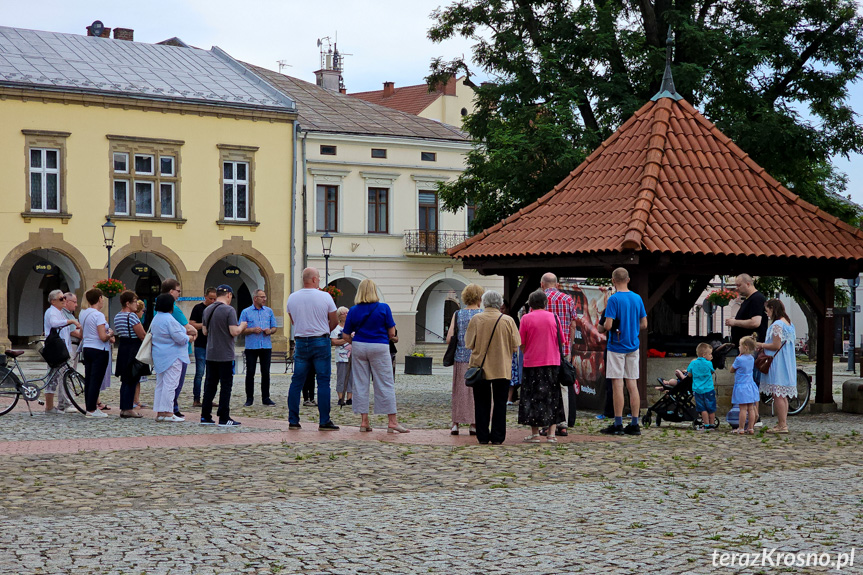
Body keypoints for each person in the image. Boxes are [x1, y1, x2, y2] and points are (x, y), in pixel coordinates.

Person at [342, 279, 407, 433]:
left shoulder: (353, 310)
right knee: (385, 382)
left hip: (359, 346)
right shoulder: (384, 308)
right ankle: (392, 422)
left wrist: (356, 341)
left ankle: (364, 422)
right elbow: (392, 333)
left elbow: (345, 335)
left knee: (360, 383)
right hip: (379, 346)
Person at [285, 268, 338, 431]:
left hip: (301, 341)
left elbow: (293, 320)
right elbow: (334, 320)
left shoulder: (292, 298)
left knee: (297, 381)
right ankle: (324, 420)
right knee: (323, 381)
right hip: (320, 340)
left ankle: (293, 420)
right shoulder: (325, 296)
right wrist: (324, 330)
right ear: (314, 279)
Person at [465, 290, 521, 445]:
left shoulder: (476, 319)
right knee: (500, 403)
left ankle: (482, 435)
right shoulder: (508, 320)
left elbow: (469, 343)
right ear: (500, 303)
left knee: (481, 403)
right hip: (502, 366)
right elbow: (516, 345)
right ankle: (498, 436)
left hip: (480, 368)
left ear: (484, 302)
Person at [600, 267, 647, 436]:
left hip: (616, 346)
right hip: (633, 345)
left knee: (617, 384)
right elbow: (644, 324)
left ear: (613, 280)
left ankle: (618, 423)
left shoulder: (614, 300)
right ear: (628, 279)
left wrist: (607, 325)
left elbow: (608, 326)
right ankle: (635, 423)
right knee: (632, 384)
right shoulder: (637, 298)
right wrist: (632, 329)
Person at [518, 290, 566, 443]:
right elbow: (562, 341)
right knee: (552, 397)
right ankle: (551, 434)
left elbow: (522, 343)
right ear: (545, 303)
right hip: (552, 362)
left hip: (532, 363)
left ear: (530, 304)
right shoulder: (554, 317)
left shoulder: (525, 319)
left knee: (532, 398)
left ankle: (535, 433)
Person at [200, 285, 247, 427]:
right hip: (225, 354)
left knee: (210, 385)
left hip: (211, 352)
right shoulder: (229, 310)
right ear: (229, 295)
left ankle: (205, 416)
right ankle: (224, 417)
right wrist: (242, 326)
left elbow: (204, 331)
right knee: (226, 386)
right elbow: (234, 331)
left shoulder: (207, 309)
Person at [445, 283, 483, 435]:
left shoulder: (457, 314)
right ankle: (474, 424)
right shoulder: (481, 314)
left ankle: (455, 423)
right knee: (476, 392)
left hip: (460, 357)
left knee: (459, 391)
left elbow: (449, 338)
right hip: (477, 358)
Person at [755, 299, 797, 434]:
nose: (766, 312)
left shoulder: (777, 324)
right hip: (786, 362)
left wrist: (761, 344)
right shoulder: (789, 323)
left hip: (777, 362)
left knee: (777, 394)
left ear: (773, 308)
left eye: (767, 309)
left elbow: (776, 345)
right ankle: (782, 423)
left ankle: (782, 425)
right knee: (782, 394)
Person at [541, 273, 576, 436]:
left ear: (542, 284)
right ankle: (563, 422)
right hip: (564, 349)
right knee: (563, 385)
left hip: (545, 350)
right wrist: (570, 345)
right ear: (557, 284)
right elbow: (573, 323)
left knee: (545, 385)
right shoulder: (568, 299)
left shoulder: (539, 299)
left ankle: (547, 422)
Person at [150, 294, 191, 422]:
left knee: (161, 385)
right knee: (171, 385)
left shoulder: (156, 318)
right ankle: (168, 412)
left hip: (160, 355)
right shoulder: (169, 319)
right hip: (173, 356)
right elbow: (179, 338)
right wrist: (189, 338)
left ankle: (160, 412)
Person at [160, 278, 197, 417]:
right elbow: (188, 328)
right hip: (178, 351)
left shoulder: (160, 309)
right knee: (175, 382)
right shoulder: (173, 309)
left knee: (166, 383)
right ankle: (172, 408)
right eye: (178, 291)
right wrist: (194, 334)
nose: (179, 295)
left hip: (167, 351)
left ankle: (169, 408)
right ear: (171, 292)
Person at [661, 343, 716, 430]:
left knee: (703, 409)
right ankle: (712, 424)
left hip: (698, 390)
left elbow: (689, 375)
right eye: (710, 354)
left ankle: (706, 425)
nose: (711, 356)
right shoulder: (709, 363)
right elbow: (712, 372)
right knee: (711, 408)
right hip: (709, 389)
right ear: (704, 355)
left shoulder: (693, 363)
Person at [42, 289, 80, 414]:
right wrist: (71, 321)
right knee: (53, 376)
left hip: (61, 348)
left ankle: (57, 405)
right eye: (61, 299)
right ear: (53, 301)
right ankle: (49, 406)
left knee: (58, 376)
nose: (64, 300)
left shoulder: (59, 312)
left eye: (64, 298)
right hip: (55, 350)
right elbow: (54, 323)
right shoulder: (52, 311)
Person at [78, 289, 114, 418]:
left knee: (89, 379)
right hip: (99, 349)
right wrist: (110, 333)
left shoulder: (83, 313)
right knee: (95, 380)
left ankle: (89, 407)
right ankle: (92, 409)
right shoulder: (98, 315)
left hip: (87, 347)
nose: (103, 300)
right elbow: (103, 337)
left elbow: (81, 333)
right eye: (102, 298)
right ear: (99, 298)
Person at [240, 289, 279, 407]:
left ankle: (266, 397)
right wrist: (252, 330)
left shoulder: (269, 311)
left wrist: (270, 331)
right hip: (252, 346)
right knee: (250, 372)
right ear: (255, 298)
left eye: (265, 297)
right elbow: (240, 329)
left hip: (266, 345)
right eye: (262, 297)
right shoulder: (246, 312)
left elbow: (274, 327)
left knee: (265, 372)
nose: (264, 299)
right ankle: (249, 398)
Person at [113, 290, 146, 419]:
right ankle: (128, 408)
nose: (136, 305)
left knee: (125, 379)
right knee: (132, 379)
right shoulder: (131, 316)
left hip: (123, 347)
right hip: (133, 347)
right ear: (127, 303)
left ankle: (124, 407)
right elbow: (141, 334)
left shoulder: (117, 316)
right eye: (134, 302)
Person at [188, 287, 217, 407]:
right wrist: (205, 325)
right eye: (210, 298)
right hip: (201, 344)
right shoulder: (198, 308)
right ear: (205, 297)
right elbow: (191, 324)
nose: (213, 301)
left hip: (213, 345)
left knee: (211, 374)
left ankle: (208, 398)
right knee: (200, 373)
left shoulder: (217, 309)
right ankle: (196, 399)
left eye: (215, 299)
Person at [725, 274, 768, 347]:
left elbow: (755, 322)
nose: (737, 288)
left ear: (748, 284)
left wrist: (735, 322)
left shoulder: (756, 299)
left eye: (739, 285)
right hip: (746, 346)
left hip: (751, 347)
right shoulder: (749, 299)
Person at [730, 335, 760, 435]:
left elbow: (731, 370)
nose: (738, 347)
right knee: (751, 408)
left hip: (742, 386)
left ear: (745, 347)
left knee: (742, 409)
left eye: (740, 345)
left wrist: (737, 359)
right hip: (750, 386)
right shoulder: (751, 358)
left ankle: (741, 428)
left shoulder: (739, 359)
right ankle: (751, 428)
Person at [331, 307, 352, 407]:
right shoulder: (336, 328)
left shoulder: (352, 327)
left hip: (352, 356)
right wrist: (347, 339)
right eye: (344, 314)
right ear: (339, 316)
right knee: (341, 377)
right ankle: (340, 397)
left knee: (352, 378)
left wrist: (344, 340)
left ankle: (350, 397)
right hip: (341, 356)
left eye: (348, 313)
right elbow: (334, 341)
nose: (347, 315)